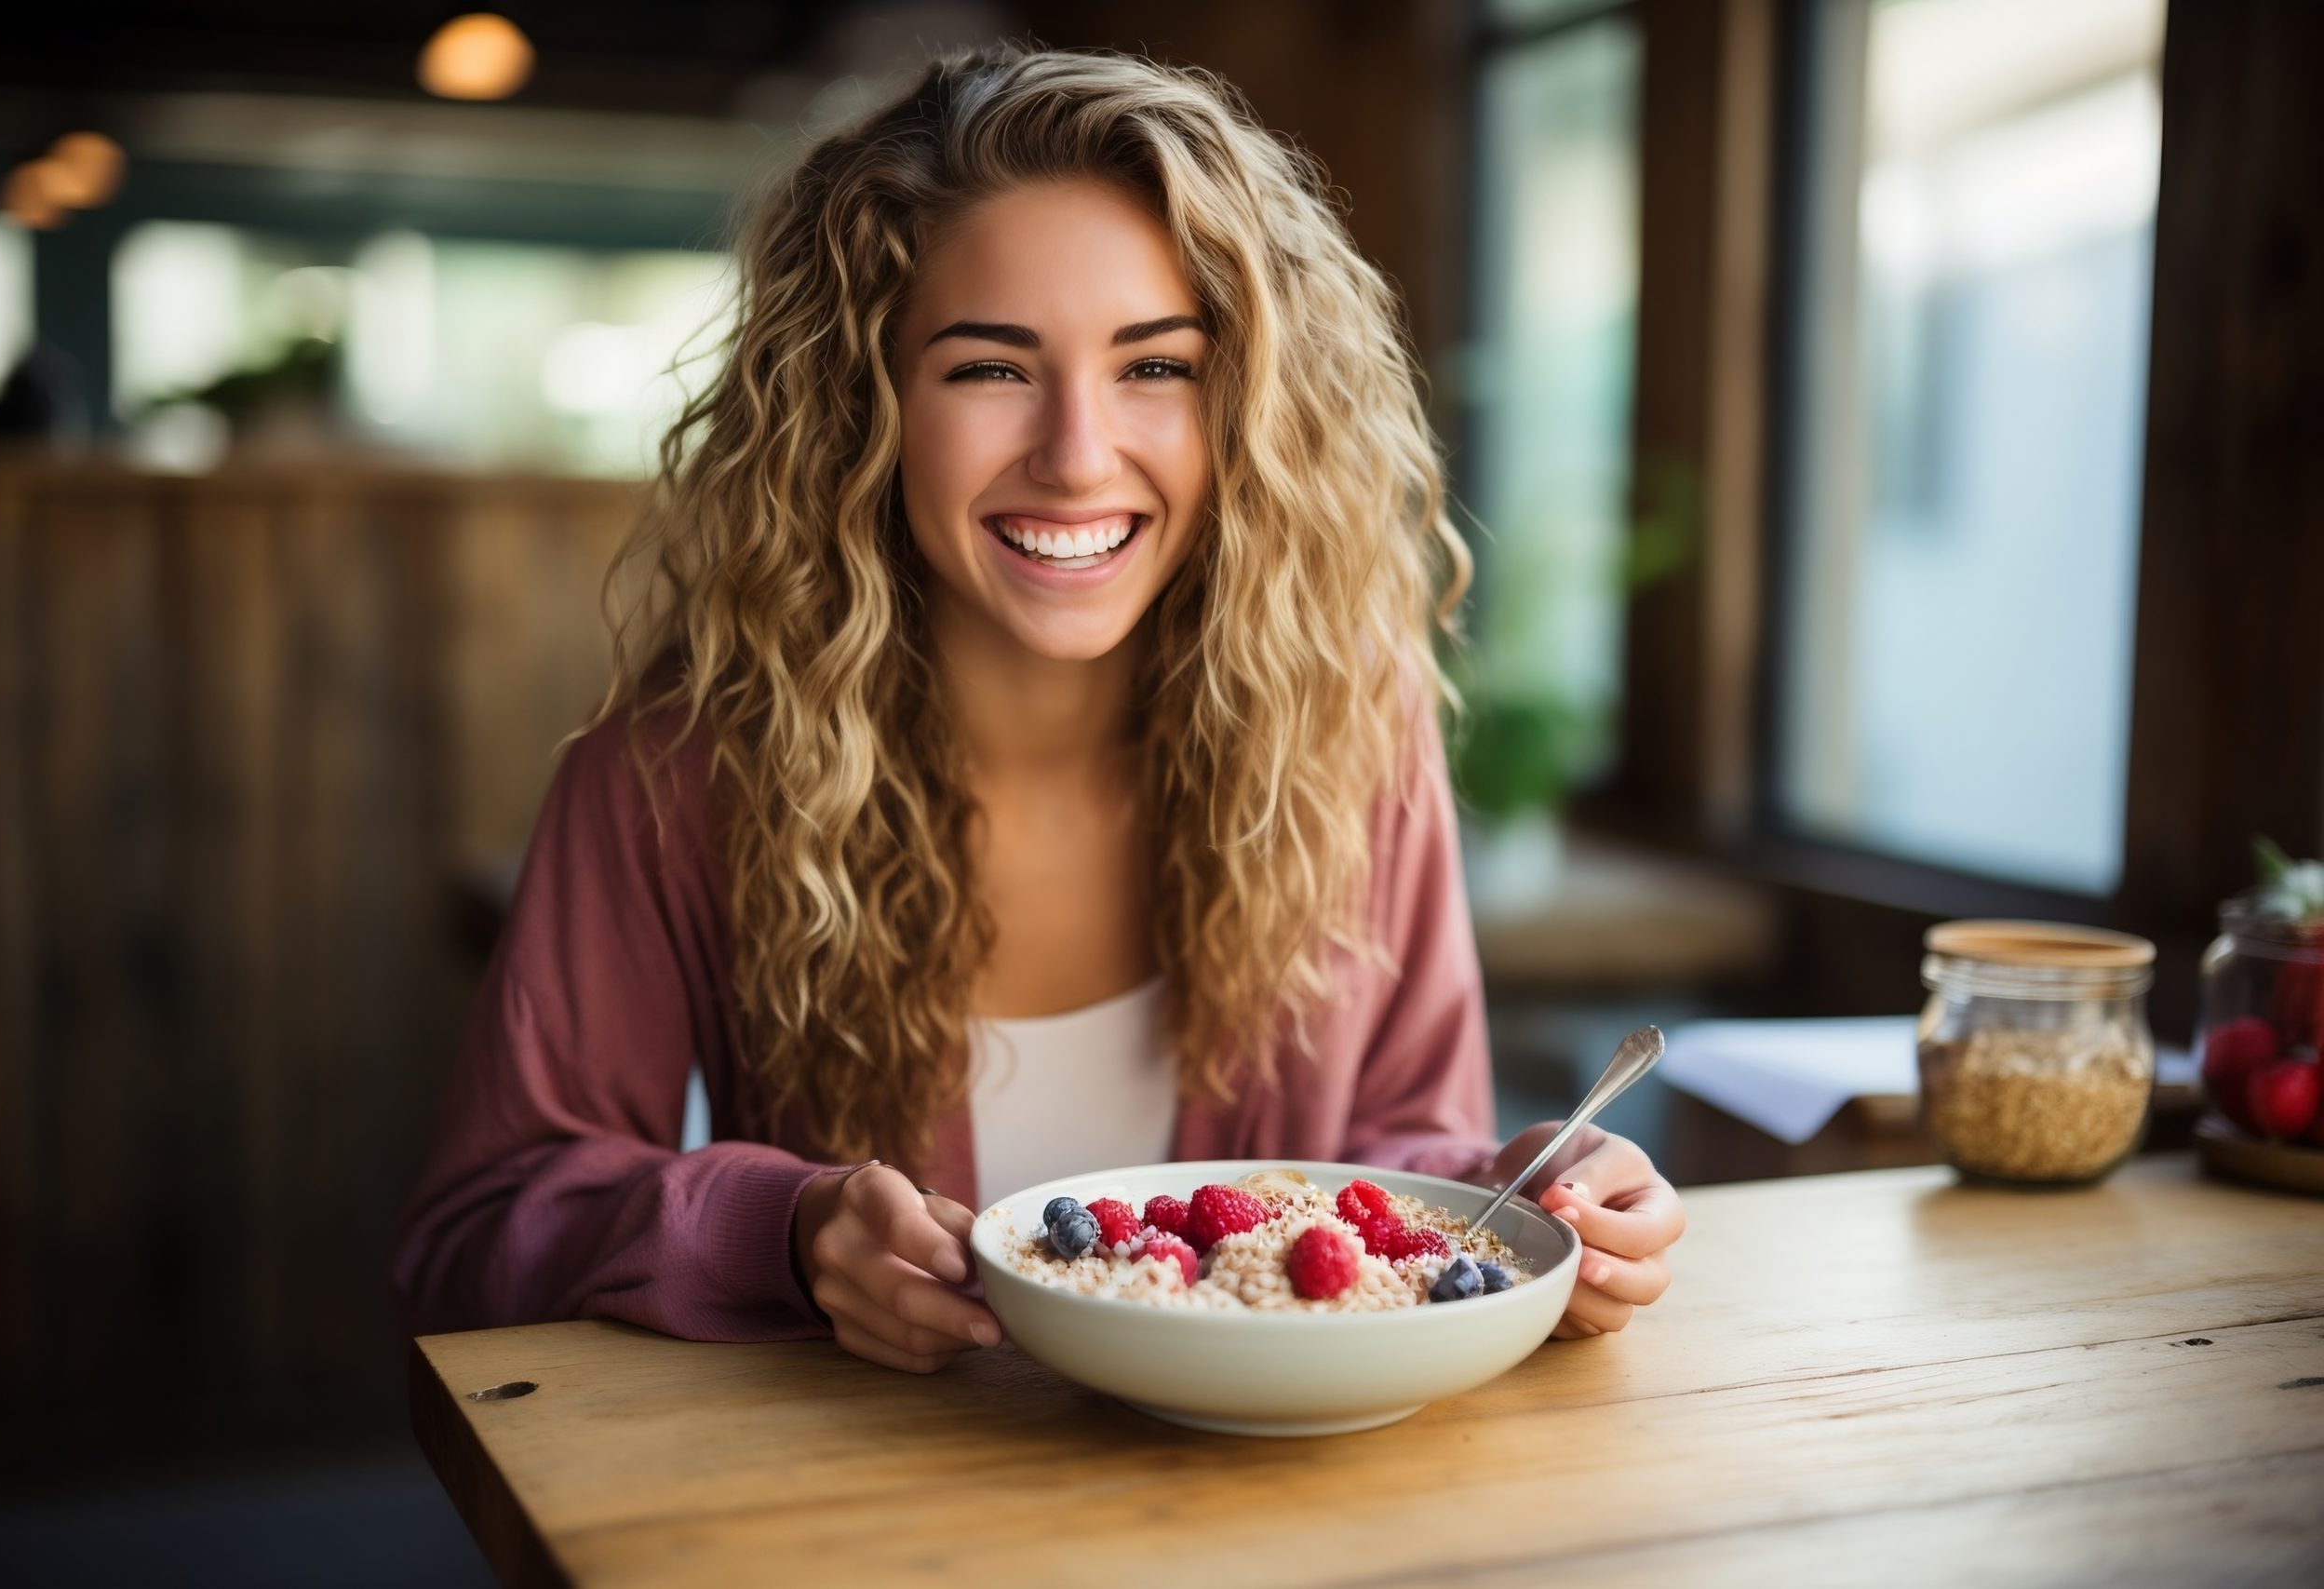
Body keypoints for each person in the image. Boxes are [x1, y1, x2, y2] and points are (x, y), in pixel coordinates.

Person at [392, 44, 1684, 1374]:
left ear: (1246, 401)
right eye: (990, 369)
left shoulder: (1350, 722)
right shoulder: (682, 767)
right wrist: (779, 1234)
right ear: (865, 402)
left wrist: (1519, 1194)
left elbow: (1395, 1154)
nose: (1075, 454)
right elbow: (476, 1236)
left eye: (1156, 367)